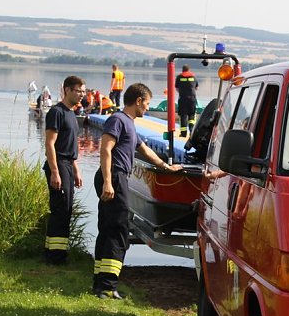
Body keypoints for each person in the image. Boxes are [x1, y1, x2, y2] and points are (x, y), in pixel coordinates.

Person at [92, 83, 182, 299]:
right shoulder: (117, 120)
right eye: (147, 103)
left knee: (109, 227)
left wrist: (166, 167)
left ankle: (101, 282)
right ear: (138, 101)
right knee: (118, 229)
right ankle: (108, 285)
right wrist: (108, 182)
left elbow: (144, 150)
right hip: (113, 176)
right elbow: (105, 150)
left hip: (116, 177)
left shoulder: (130, 124)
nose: (148, 108)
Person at [43, 76, 86, 265]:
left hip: (68, 165)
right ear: (67, 90)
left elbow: (70, 145)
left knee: (66, 209)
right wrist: (55, 172)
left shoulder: (71, 113)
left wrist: (76, 169)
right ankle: (56, 257)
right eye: (78, 91)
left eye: (83, 91)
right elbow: (50, 144)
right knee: (60, 209)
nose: (82, 95)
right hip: (58, 165)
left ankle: (54, 251)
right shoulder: (57, 112)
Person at [174, 64, 199, 137]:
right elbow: (197, 88)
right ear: (189, 69)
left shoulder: (179, 77)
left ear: (182, 70)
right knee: (192, 116)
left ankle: (183, 133)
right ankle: (191, 132)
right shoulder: (193, 77)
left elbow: (177, 88)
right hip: (192, 99)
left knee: (183, 116)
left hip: (183, 99)